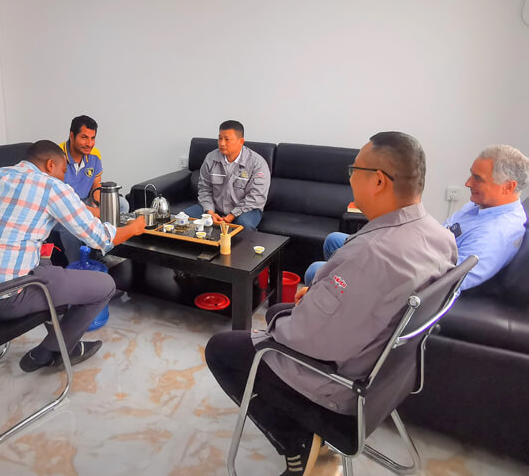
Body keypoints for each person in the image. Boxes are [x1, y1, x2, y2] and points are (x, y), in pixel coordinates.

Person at [205, 132, 457, 476]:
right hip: (390, 377)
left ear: (378, 181)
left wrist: (280, 325)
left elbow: (306, 339)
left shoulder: (373, 254)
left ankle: (297, 441)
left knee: (223, 348)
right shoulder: (439, 236)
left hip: (343, 389)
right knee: (280, 309)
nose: (350, 177)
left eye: (354, 170)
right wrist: (319, 298)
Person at [0, 140, 145, 372]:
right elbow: (101, 239)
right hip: (0, 299)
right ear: (51, 164)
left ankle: (61, 342)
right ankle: (51, 352)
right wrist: (134, 227)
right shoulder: (51, 187)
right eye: (63, 172)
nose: (63, 178)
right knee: (105, 285)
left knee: (48, 263)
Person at [305, 145, 529, 290]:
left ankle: (329, 304)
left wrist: (387, 263)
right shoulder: (482, 206)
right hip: (417, 256)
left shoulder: (496, 234)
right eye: (471, 174)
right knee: (335, 240)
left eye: (478, 178)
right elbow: (439, 236)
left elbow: (443, 284)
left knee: (317, 270)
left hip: (412, 277)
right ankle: (331, 297)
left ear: (508, 187)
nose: (468, 183)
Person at [54, 115, 130, 263]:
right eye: (84, 138)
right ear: (71, 135)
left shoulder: (94, 154)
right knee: (69, 229)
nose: (89, 143)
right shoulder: (57, 157)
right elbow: (61, 202)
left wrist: (97, 204)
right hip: (63, 208)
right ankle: (78, 266)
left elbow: (96, 184)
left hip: (85, 201)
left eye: (92, 138)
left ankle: (104, 251)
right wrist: (94, 212)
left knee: (122, 205)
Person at [184, 120, 270, 230]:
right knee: (183, 218)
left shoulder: (257, 163)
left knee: (243, 224)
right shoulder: (211, 158)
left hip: (247, 210)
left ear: (241, 141)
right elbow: (204, 189)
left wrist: (232, 215)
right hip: (215, 207)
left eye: (227, 139)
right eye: (220, 138)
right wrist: (210, 212)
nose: (222, 143)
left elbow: (256, 197)